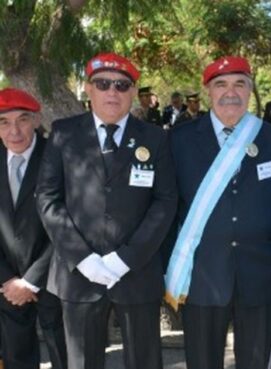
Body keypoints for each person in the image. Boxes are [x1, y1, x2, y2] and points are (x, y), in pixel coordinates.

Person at [36, 52, 178, 369]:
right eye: (103, 84)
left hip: (136, 272)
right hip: (78, 275)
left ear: (132, 91)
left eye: (122, 85)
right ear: (89, 89)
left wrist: (125, 258)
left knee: (144, 361)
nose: (112, 92)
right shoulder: (63, 133)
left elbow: (165, 201)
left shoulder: (155, 138)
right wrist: (83, 259)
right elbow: (47, 197)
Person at [165, 56, 271, 369]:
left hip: (260, 274)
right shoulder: (179, 140)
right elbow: (166, 206)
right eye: (221, 85)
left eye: (239, 84)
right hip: (202, 274)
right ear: (208, 91)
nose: (230, 92)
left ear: (250, 90)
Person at [0, 88, 67, 369]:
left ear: (37, 120)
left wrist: (31, 279)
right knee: (16, 358)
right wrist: (8, 280)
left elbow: (68, 224)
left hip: (53, 279)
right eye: (4, 122)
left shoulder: (59, 157)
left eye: (23, 119)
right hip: (6, 286)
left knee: (65, 356)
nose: (14, 130)